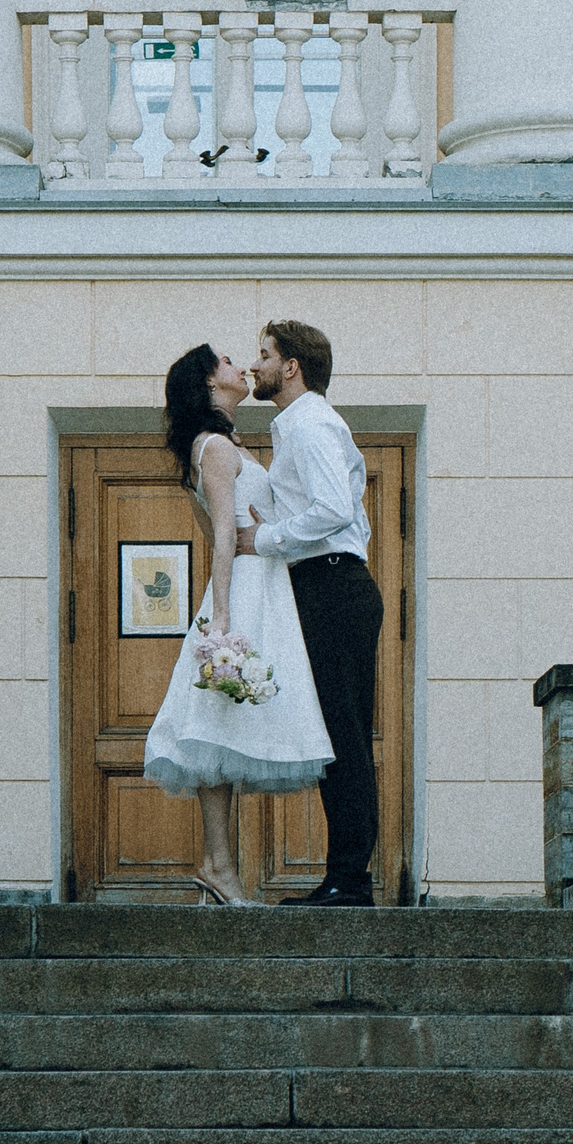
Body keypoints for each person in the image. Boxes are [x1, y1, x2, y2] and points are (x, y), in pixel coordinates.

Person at [142, 343, 333, 905]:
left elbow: (217, 529)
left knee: (225, 726)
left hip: (259, 584)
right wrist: (222, 615)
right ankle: (219, 866)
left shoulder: (217, 446)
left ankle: (218, 866)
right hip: (245, 591)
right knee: (218, 723)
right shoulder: (217, 448)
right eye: (226, 362)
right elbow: (222, 535)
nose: (241, 367)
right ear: (209, 382)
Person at [237, 320, 385, 907]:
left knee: (343, 735)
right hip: (323, 586)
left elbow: (333, 509)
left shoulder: (312, 424)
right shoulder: (298, 427)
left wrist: (265, 539)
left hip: (333, 587)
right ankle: (344, 878)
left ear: (292, 366)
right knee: (335, 732)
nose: (255, 365)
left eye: (265, 355)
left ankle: (350, 881)